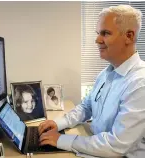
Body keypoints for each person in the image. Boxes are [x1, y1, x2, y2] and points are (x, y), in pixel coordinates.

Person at [38, 5, 145, 158]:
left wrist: (62, 139)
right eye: (98, 33)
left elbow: (116, 145)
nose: (97, 39)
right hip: (97, 146)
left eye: (105, 33)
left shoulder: (140, 83)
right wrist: (59, 123)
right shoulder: (106, 73)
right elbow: (87, 107)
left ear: (129, 36)